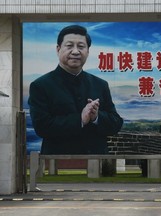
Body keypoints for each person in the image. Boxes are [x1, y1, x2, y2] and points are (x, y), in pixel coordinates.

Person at [28, 25, 123, 154]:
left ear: (88, 51)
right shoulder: (41, 85)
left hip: (98, 163)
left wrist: (96, 117)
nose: (75, 51)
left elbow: (116, 123)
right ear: (58, 49)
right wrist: (80, 119)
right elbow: (42, 127)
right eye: (69, 46)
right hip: (58, 164)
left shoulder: (100, 84)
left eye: (81, 46)